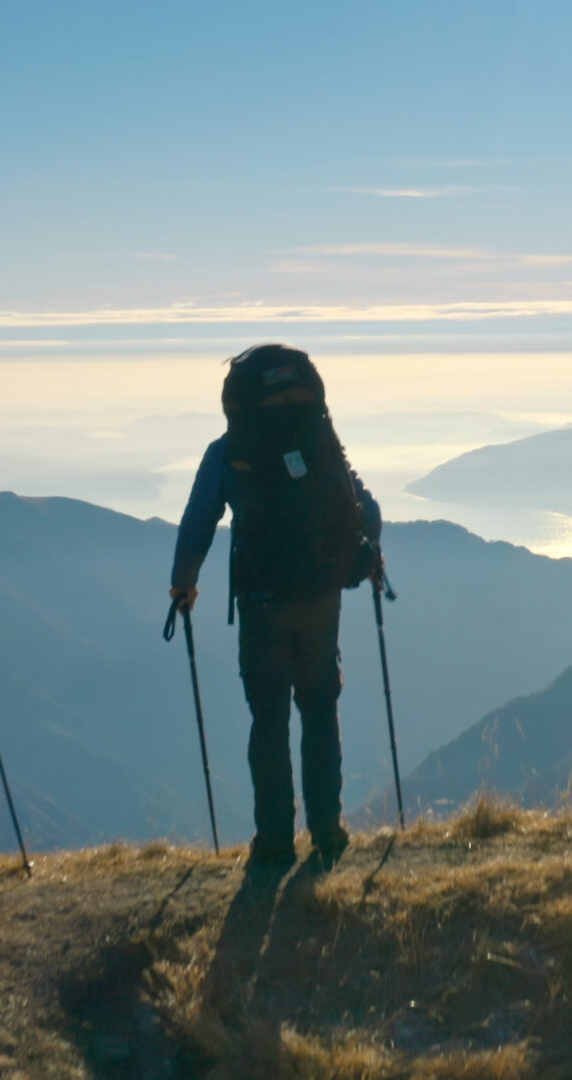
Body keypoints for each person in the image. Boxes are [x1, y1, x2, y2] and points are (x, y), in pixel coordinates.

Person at [170, 345, 381, 870]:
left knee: (269, 720)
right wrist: (367, 553)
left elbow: (198, 521)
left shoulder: (230, 450)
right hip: (320, 597)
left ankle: (274, 843)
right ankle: (328, 834)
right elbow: (366, 508)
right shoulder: (320, 440)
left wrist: (184, 584)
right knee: (320, 710)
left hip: (262, 602)